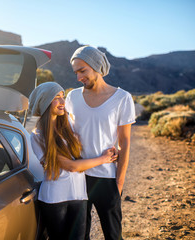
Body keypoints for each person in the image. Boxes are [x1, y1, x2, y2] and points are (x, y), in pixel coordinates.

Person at [28, 82, 118, 240]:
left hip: (79, 194)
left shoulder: (68, 124)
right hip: (55, 198)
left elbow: (92, 134)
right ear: (45, 103)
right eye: (57, 98)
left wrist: (111, 147)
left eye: (63, 97)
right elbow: (71, 166)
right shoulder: (37, 136)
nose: (63, 102)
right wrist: (103, 159)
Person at [64, 45, 136, 240]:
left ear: (96, 67)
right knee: (80, 235)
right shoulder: (73, 97)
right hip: (79, 178)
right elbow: (69, 134)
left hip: (107, 179)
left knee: (113, 236)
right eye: (76, 72)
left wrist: (118, 184)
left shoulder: (122, 98)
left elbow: (125, 143)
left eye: (82, 71)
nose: (78, 77)